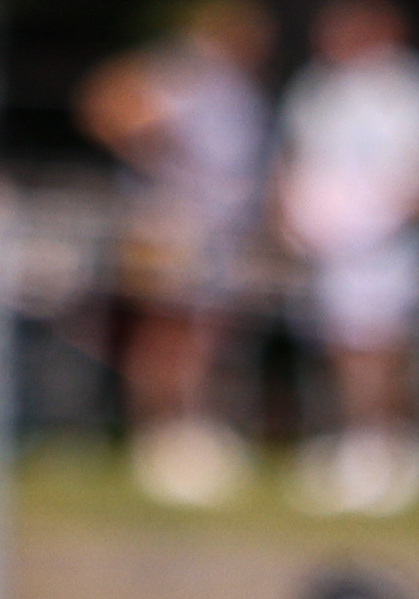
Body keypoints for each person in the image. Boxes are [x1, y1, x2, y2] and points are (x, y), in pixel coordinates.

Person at [271, 0, 419, 517]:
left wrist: (380, 219)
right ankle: (356, 442)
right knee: (342, 347)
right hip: (331, 247)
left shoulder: (416, 92)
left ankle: (392, 447)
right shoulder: (318, 89)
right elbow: (291, 161)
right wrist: (296, 217)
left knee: (384, 345)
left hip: (389, 246)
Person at [85, 0, 272, 504]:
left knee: (204, 335)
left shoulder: (239, 85)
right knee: (166, 334)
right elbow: (108, 101)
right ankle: (159, 436)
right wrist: (155, 149)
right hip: (172, 221)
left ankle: (193, 430)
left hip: (223, 229)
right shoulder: (183, 70)